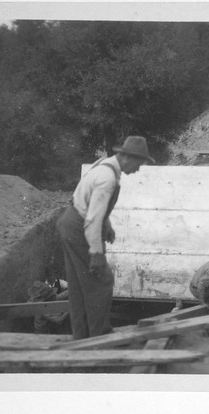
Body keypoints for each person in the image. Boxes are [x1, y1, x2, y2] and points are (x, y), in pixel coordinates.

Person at [57, 135, 155, 340]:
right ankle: (99, 336)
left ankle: (82, 335)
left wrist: (106, 224)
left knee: (77, 285)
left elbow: (90, 204)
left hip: (69, 221)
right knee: (101, 281)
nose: (138, 169)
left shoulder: (104, 165)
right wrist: (96, 253)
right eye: (139, 163)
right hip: (80, 228)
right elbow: (92, 219)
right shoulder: (107, 178)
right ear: (127, 158)